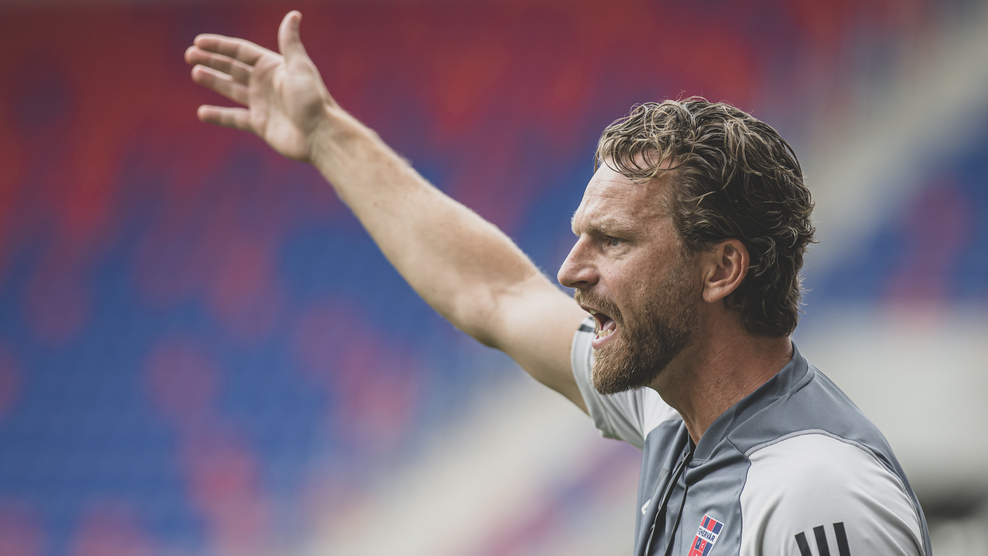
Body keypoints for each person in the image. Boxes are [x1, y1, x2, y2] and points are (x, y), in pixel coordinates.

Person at [185, 11, 932, 556]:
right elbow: (496, 294)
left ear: (720, 269)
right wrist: (326, 135)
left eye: (613, 241)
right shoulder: (674, 410)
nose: (571, 271)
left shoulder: (812, 491)